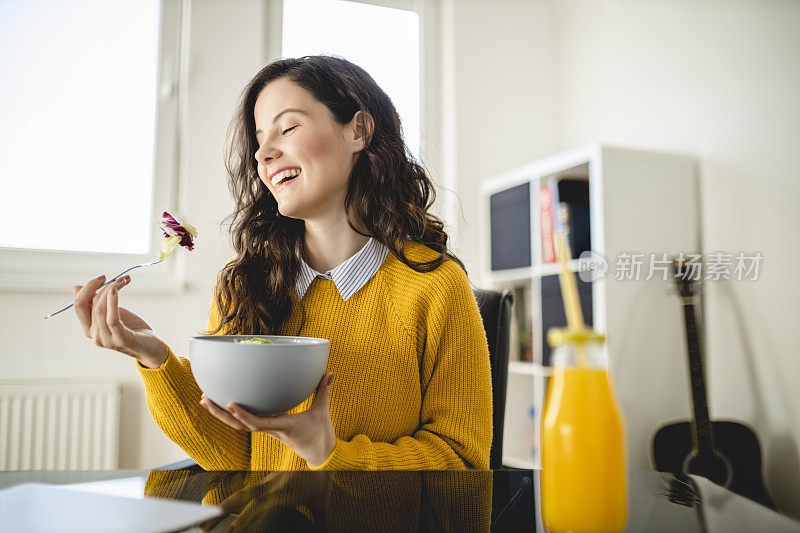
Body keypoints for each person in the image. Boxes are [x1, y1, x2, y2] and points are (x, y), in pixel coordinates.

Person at [71, 55, 492, 471]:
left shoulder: (434, 285)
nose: (263, 154)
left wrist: (330, 455)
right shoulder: (244, 283)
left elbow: (462, 460)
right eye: (258, 141)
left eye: (287, 127)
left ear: (358, 131)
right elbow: (236, 456)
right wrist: (153, 355)